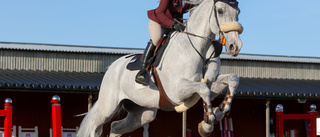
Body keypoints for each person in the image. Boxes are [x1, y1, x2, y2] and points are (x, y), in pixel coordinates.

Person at [135, 0, 194, 85]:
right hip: (159, 22)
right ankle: (143, 71)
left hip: (175, 25)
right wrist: (172, 24)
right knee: (157, 39)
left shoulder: (190, 1)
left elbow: (195, 12)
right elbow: (159, 12)